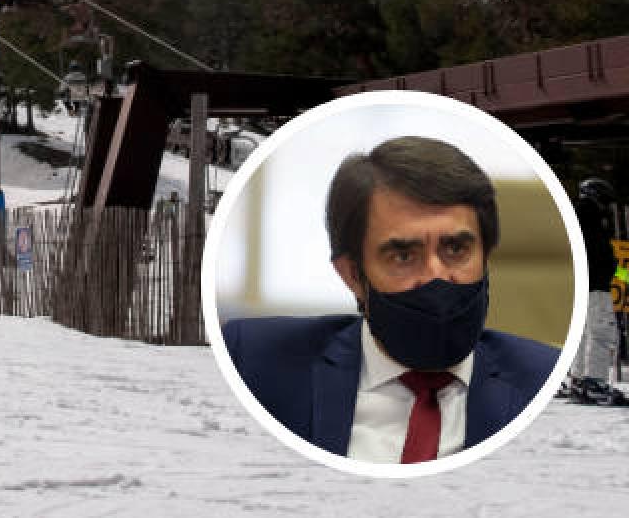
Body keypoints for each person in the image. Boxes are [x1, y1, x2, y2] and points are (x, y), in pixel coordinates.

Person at [222, 136, 559, 464]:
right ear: (353, 275)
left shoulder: (544, 380)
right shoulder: (253, 362)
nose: (435, 276)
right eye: (403, 256)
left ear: (486, 257)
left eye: (455, 249)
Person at [570, 177, 619, 392]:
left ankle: (578, 377)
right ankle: (594, 380)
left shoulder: (575, 215)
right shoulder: (591, 218)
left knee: (582, 332)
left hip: (581, 283)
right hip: (595, 283)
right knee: (601, 331)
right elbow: (598, 252)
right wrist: (608, 267)